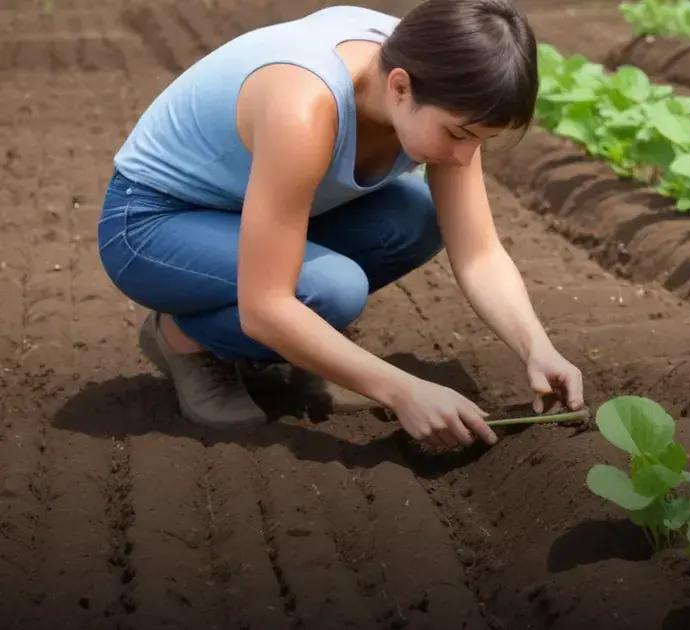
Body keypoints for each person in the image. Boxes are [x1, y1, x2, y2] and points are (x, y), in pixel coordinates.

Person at [97, 0, 584, 451]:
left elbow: (477, 253)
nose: (463, 156)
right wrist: (402, 391)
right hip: (151, 222)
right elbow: (267, 306)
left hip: (254, 210)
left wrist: (536, 347)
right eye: (457, 134)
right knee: (330, 289)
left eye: (481, 140)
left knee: (416, 216)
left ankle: (301, 352)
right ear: (399, 86)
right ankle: (185, 337)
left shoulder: (440, 70)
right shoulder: (304, 107)